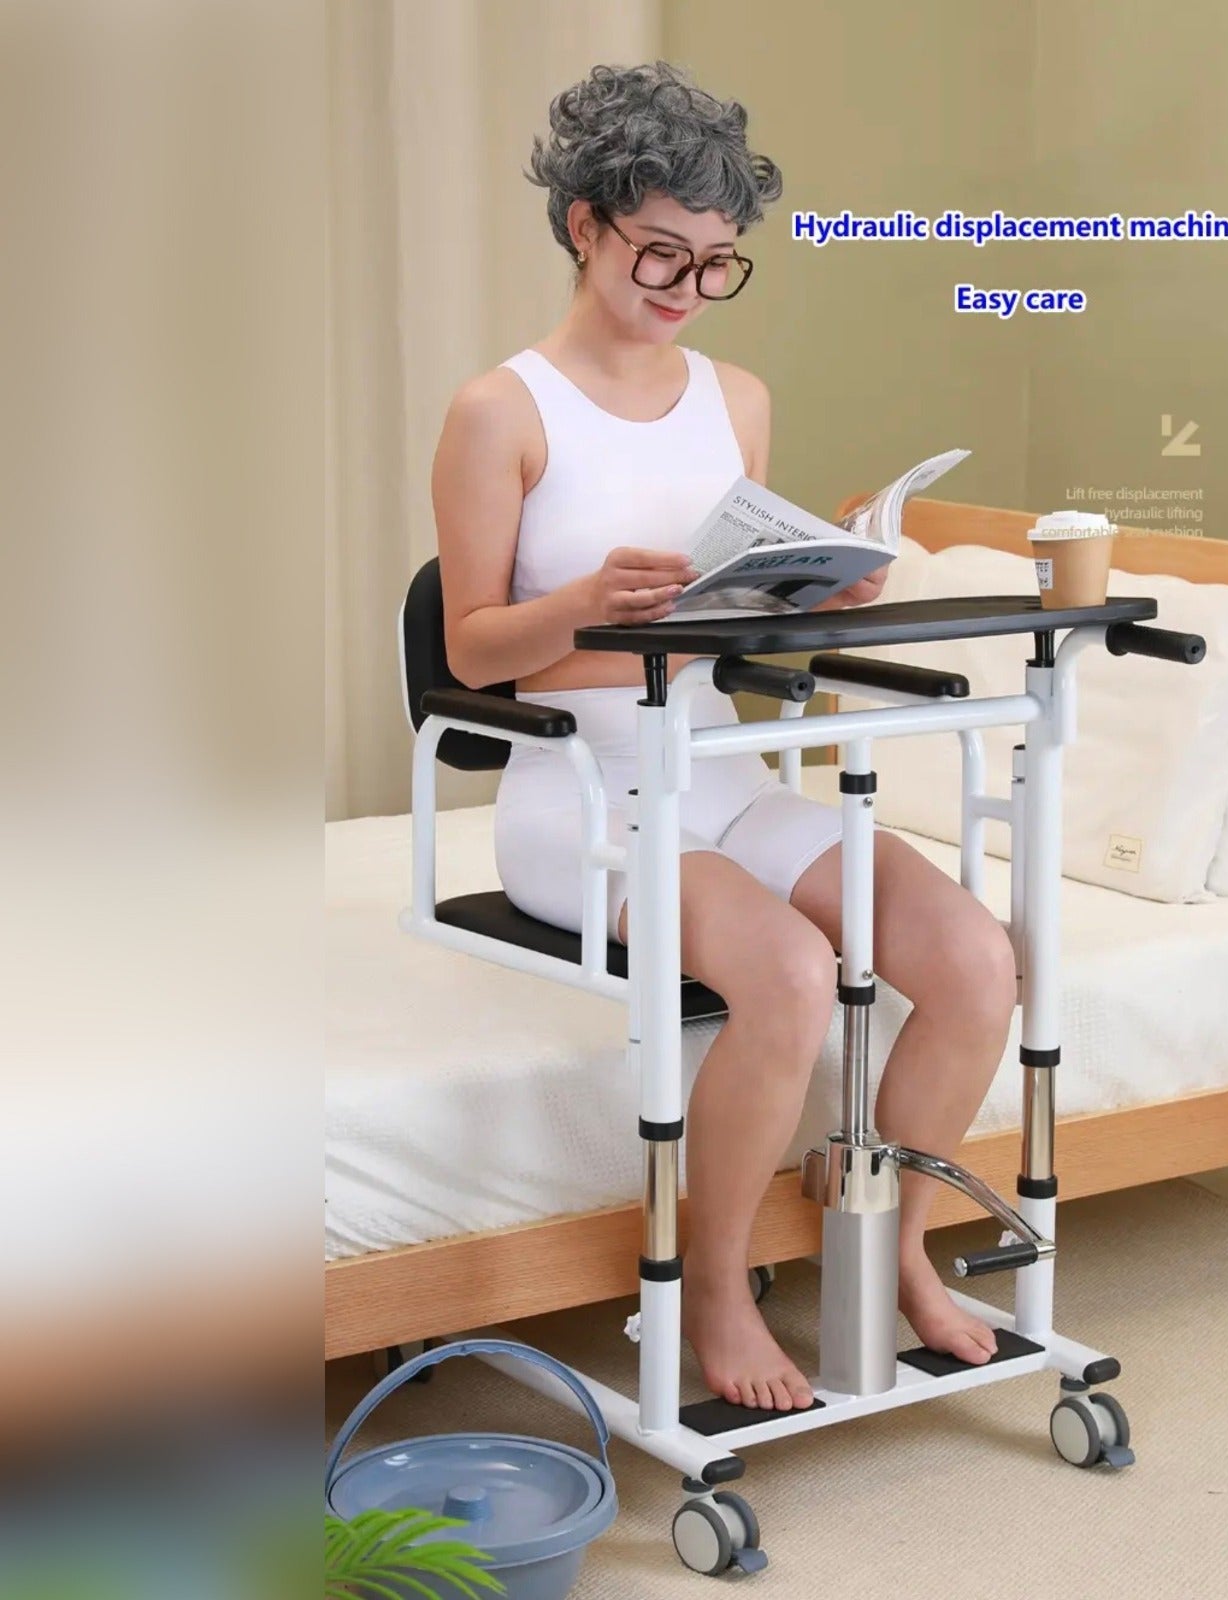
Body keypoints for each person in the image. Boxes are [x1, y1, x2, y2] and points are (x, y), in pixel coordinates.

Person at [431, 62, 1017, 1414]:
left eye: (715, 266)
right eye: (659, 255)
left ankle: (906, 1255)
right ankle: (710, 1294)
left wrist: (824, 577)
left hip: (721, 774)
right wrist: (573, 604)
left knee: (979, 961)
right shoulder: (499, 413)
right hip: (585, 800)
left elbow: (725, 607)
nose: (685, 291)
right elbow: (471, 646)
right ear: (583, 224)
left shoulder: (734, 399)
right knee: (794, 976)